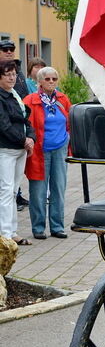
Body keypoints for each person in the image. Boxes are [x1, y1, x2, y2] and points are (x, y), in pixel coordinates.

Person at [23, 67, 71, 239]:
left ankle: (57, 227)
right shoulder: (30, 100)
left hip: (60, 149)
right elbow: (24, 124)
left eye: (54, 79)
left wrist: (69, 141)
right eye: (48, 79)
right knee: (38, 191)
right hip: (38, 151)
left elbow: (69, 122)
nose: (51, 82)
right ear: (40, 82)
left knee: (58, 188)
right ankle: (38, 228)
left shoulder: (62, 99)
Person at [0, 60, 35, 245]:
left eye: (14, 74)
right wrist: (24, 140)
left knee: (13, 192)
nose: (12, 78)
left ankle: (12, 232)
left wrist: (31, 138)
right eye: (8, 74)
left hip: (20, 149)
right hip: (5, 149)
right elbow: (4, 125)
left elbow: (25, 120)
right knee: (5, 191)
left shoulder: (14, 95)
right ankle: (5, 234)